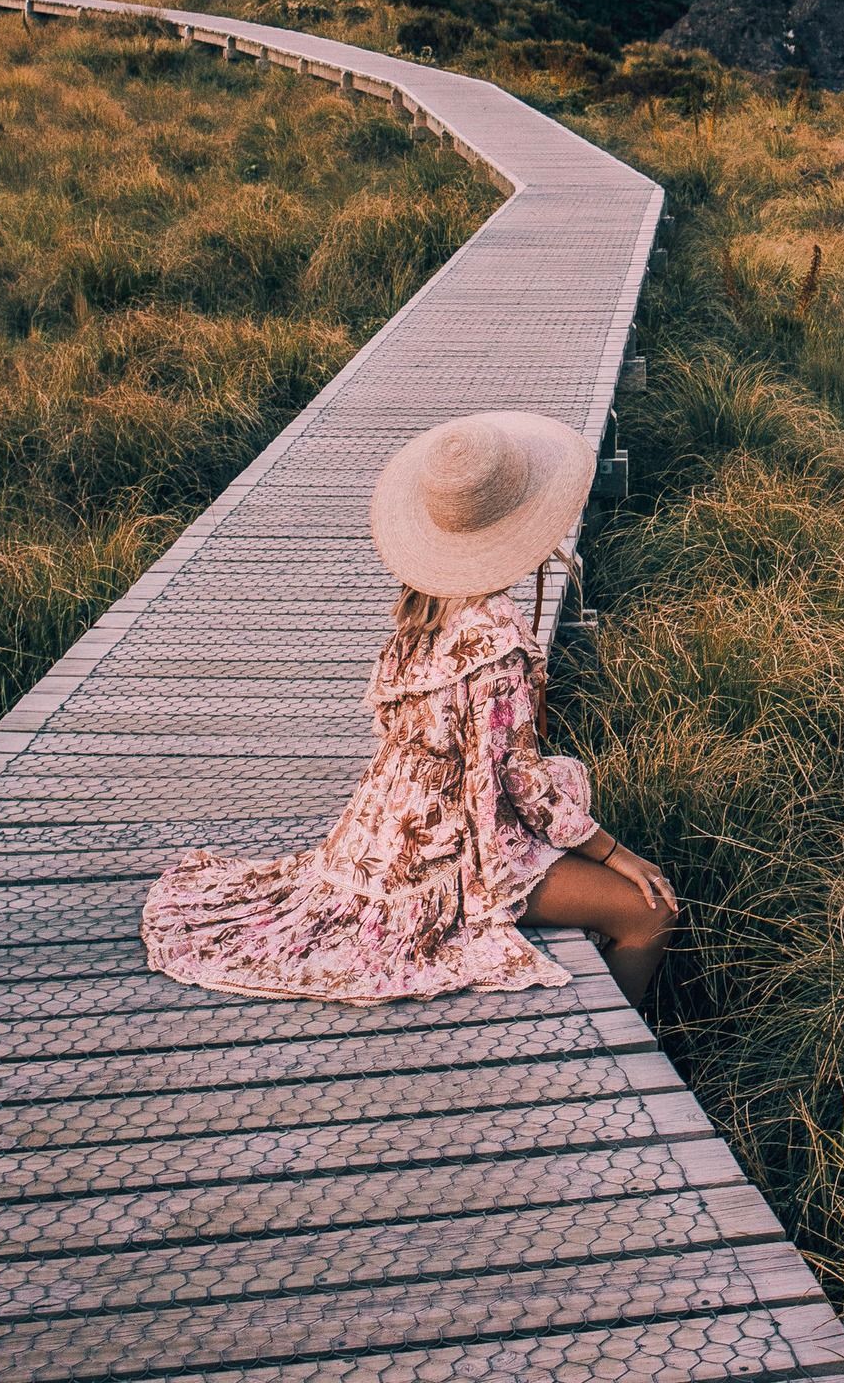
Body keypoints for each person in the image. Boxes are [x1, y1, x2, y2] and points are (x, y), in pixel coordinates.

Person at [141, 409, 678, 1004]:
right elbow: (521, 782)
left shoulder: (420, 612)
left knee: (570, 786)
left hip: (375, 839)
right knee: (648, 911)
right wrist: (616, 853)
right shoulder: (497, 637)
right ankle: (616, 1036)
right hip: (443, 858)